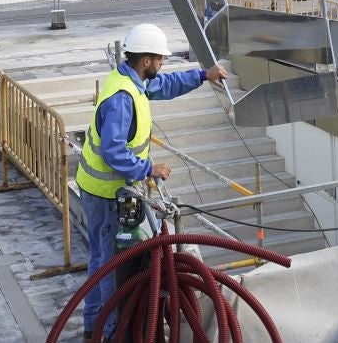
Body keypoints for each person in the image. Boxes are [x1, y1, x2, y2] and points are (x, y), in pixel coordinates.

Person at [76, 24, 229, 342]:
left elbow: (167, 84)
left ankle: (93, 324)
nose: (162, 65)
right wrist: (148, 169)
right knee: (108, 263)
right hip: (105, 192)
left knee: (98, 259)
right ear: (145, 60)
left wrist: (203, 75)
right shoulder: (122, 99)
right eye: (159, 59)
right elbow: (114, 150)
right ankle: (110, 329)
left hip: (95, 187)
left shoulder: (130, 79)